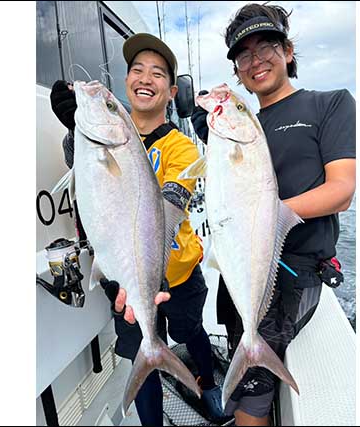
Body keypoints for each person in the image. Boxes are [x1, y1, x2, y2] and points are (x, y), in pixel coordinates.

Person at [50, 33, 227, 426]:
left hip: (178, 272)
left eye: (158, 73)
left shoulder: (182, 146)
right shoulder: (98, 135)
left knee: (191, 329)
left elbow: (172, 204)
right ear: (127, 79)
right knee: (139, 351)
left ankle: (206, 382)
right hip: (125, 277)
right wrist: (72, 127)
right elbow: (82, 169)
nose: (145, 78)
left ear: (171, 91)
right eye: (136, 69)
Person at [198, 4, 356, 426]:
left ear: (288, 51)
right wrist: (210, 132)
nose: (256, 60)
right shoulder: (239, 124)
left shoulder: (330, 104)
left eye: (266, 45)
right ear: (237, 71)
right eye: (243, 55)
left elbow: (341, 190)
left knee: (253, 395)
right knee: (244, 364)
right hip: (240, 266)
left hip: (295, 270)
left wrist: (271, 214)